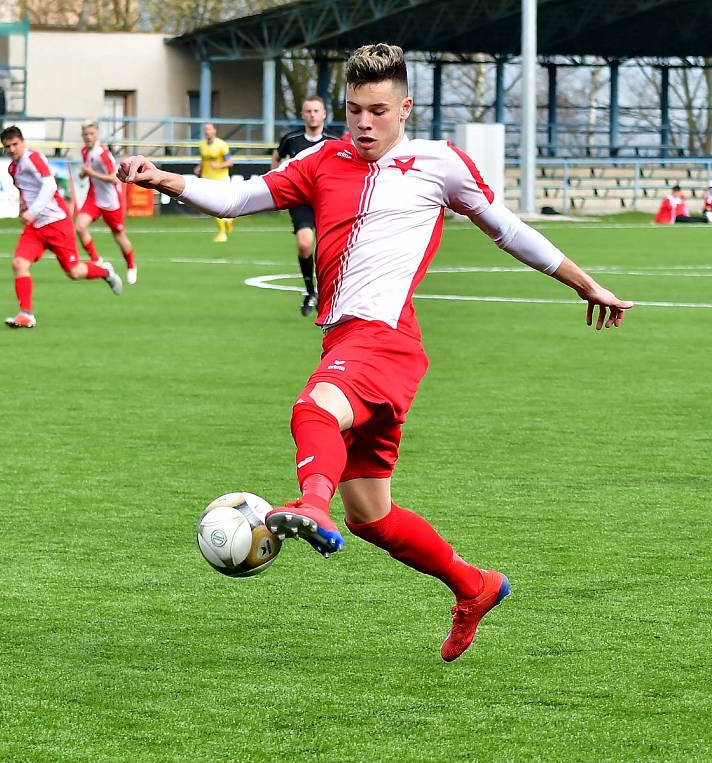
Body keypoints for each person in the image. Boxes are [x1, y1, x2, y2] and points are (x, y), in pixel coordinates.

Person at [118, 43, 633, 661]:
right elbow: (238, 198)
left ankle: (310, 505)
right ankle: (475, 586)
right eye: (353, 110)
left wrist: (585, 282)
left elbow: (509, 230)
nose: (363, 124)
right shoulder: (323, 159)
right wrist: (165, 178)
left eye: (378, 111)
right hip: (349, 339)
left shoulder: (438, 163)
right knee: (370, 513)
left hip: (383, 338)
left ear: (405, 108)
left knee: (313, 410)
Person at [1, 125, 123, 329]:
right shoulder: (13, 169)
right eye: (8, 146)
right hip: (36, 228)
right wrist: (23, 209)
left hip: (57, 223)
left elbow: (49, 186)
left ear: (23, 142)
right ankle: (26, 314)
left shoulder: (34, 159)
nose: (12, 149)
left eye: (15, 144)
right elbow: (26, 192)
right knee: (19, 264)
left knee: (74, 272)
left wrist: (33, 211)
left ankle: (105, 272)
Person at [272, 96, 339, 316]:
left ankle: (330, 296)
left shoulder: (333, 142)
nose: (312, 114)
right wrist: (277, 186)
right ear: (302, 114)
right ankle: (310, 292)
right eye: (308, 111)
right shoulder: (291, 139)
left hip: (327, 201)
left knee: (329, 250)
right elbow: (276, 159)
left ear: (324, 114)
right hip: (300, 200)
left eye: (316, 111)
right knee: (304, 244)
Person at [75, 120, 137, 284]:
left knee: (119, 236)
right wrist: (84, 174)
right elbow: (88, 171)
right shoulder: (84, 151)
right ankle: (97, 261)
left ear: (97, 134)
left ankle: (131, 265)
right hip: (94, 197)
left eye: (91, 134)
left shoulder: (103, 154)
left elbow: (114, 179)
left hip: (110, 201)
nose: (88, 137)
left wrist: (91, 173)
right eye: (85, 134)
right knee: (80, 226)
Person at [194, 122, 234, 242]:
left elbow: (230, 162)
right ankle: (228, 220)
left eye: (209, 129)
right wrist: (199, 167)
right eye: (205, 129)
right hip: (207, 179)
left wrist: (219, 165)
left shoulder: (222, 145)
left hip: (221, 179)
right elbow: (203, 159)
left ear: (214, 131)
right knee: (211, 206)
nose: (207, 131)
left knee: (218, 205)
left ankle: (222, 233)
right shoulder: (202, 145)